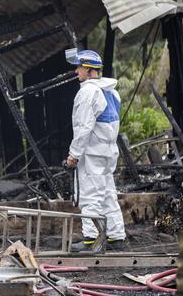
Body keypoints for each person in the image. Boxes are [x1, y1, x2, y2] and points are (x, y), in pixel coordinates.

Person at [65, 49, 127, 251]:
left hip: (92, 154)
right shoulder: (111, 92)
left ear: (89, 69)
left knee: (90, 195)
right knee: (108, 193)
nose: (76, 71)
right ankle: (117, 237)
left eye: (79, 67)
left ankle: (91, 239)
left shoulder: (87, 92)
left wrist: (74, 155)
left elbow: (84, 128)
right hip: (108, 153)